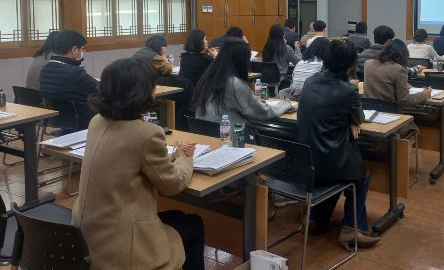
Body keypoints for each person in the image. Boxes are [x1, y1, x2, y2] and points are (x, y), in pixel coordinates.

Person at [74, 57, 204, 270]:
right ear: (144, 93)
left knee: (178, 217)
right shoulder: (147, 133)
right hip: (121, 246)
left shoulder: (96, 122)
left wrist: (169, 157)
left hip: (86, 235)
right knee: (194, 224)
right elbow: (173, 184)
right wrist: (184, 157)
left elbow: (130, 161)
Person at [295, 40, 380, 250]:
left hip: (304, 163)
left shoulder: (310, 82)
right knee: (360, 177)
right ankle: (351, 229)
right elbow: (359, 118)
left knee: (332, 170)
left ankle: (316, 218)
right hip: (329, 163)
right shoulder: (348, 90)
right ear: (350, 65)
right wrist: (352, 121)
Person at [193, 38, 292, 126]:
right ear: (241, 60)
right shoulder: (234, 83)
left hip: (203, 132)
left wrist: (252, 101)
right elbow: (262, 112)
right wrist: (285, 104)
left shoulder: (209, 76)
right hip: (227, 135)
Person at [39, 29, 98, 129]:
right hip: (82, 119)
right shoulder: (75, 72)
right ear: (74, 50)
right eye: (82, 49)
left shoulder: (45, 69)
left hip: (58, 118)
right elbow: (98, 88)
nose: (82, 53)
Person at [364, 39, 431, 108]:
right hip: (388, 111)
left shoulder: (368, 63)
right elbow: (405, 101)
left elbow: (381, 83)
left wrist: (400, 85)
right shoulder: (399, 69)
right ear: (403, 55)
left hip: (367, 109)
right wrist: (424, 95)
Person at [357, 25, 422, 78]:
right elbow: (403, 72)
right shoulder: (390, 56)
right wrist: (417, 68)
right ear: (388, 41)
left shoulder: (362, 54)